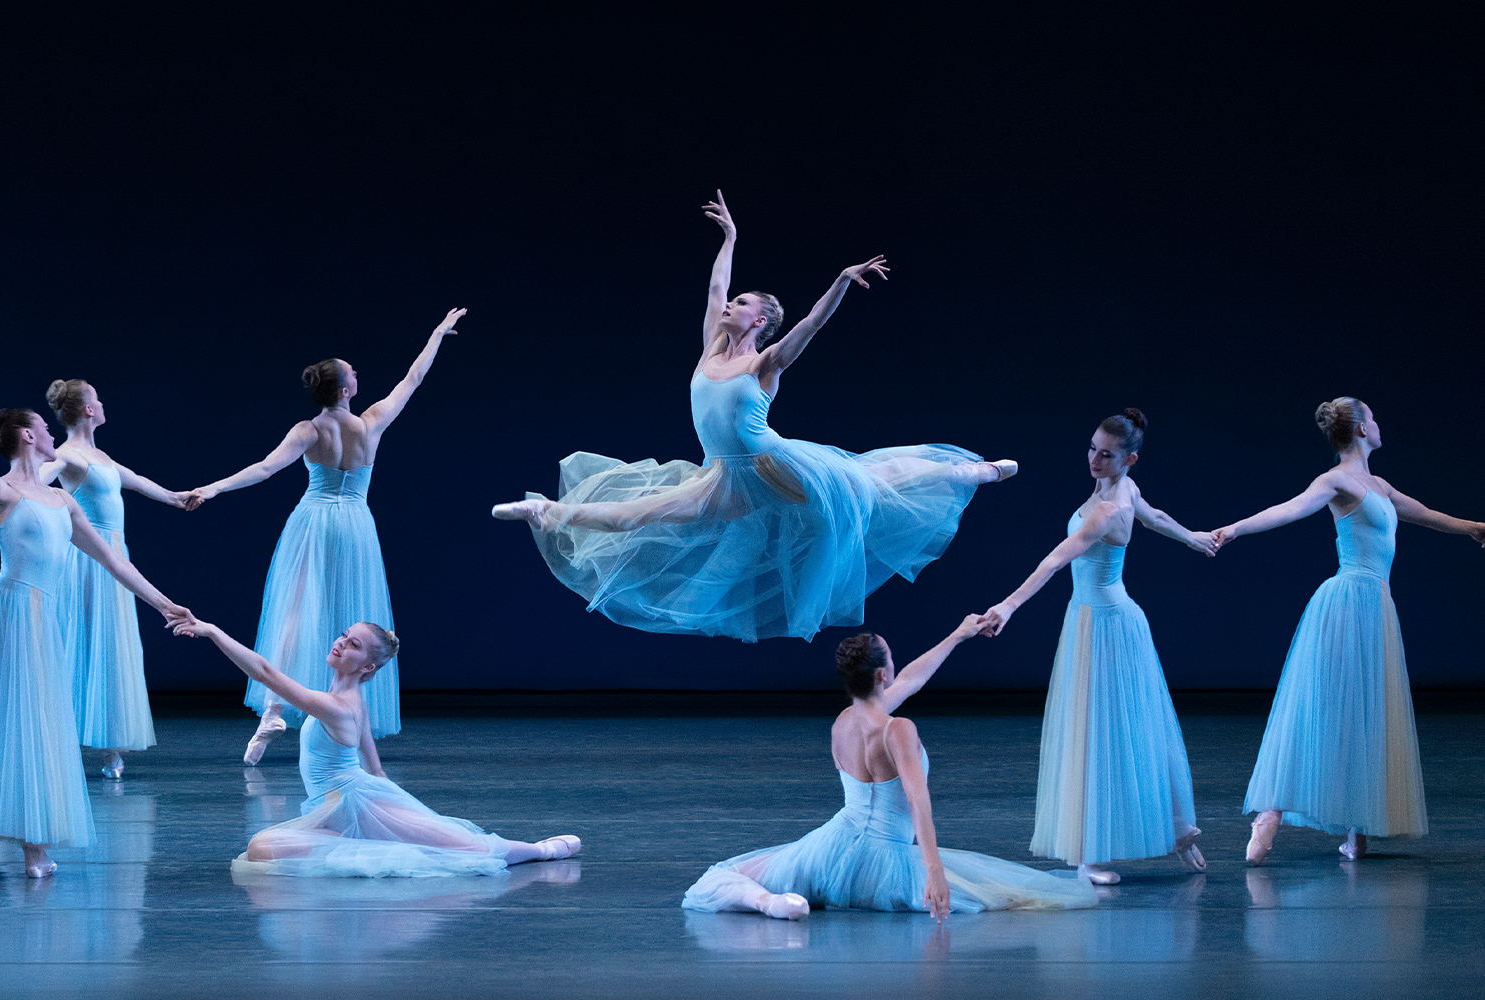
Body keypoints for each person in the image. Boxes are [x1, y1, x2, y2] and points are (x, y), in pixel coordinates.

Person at [494, 192, 1015, 642]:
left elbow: (809, 326)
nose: (729, 304)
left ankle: (974, 470)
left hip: (776, 466)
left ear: (760, 320)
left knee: (875, 480)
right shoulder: (709, 353)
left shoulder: (762, 364)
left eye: (741, 303)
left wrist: (840, 280)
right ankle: (548, 512)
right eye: (732, 299)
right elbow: (714, 291)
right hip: (723, 478)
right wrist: (729, 240)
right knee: (643, 512)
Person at [1212, 397, 1485, 863]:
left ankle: (1356, 828)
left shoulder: (1378, 485)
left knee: (1367, 710)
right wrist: (1234, 529)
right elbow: (1289, 509)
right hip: (1345, 600)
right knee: (1320, 704)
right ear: (1360, 429)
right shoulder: (1335, 480)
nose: (1379, 424)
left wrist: (1474, 527)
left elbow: (1425, 514)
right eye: (1373, 418)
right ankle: (1269, 816)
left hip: (1376, 606)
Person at [682, 616, 1097, 920]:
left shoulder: (843, 723)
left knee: (726, 874)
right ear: (882, 674)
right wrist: (934, 871)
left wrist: (957, 635)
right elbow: (919, 802)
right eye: (893, 659)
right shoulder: (898, 729)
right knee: (1006, 894)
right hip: (883, 866)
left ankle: (770, 903)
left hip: (827, 851)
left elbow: (911, 681)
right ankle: (775, 903)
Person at [188, 308, 465, 762]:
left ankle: (274, 709)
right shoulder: (370, 422)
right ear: (344, 389)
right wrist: (436, 334)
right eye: (352, 372)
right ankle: (347, 718)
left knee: (296, 611)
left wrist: (213, 487)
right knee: (352, 615)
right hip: (354, 524)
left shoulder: (308, 430)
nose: (358, 373)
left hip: (313, 520)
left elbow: (264, 468)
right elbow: (412, 379)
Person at [980, 409, 1213, 884]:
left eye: (1106, 455)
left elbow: (1054, 561)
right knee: (1125, 729)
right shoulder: (1120, 489)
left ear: (1129, 459)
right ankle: (1174, 832)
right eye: (1091, 449)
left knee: (1102, 733)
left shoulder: (1108, 509)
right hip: (1103, 618)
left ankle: (1097, 852)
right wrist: (1191, 538)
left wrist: (1007, 605)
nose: (1094, 459)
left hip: (1103, 625)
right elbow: (1156, 518)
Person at [172, 614, 581, 876]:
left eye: (352, 645)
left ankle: (540, 851)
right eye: (344, 636)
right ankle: (366, 843)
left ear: (368, 666)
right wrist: (397, 806)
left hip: (353, 803)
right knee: (261, 849)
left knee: (473, 852)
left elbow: (264, 672)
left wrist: (211, 631)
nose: (340, 643)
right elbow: (375, 766)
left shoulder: (338, 707)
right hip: (340, 807)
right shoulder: (352, 702)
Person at [0, 408, 189, 877]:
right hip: (8, 612)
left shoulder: (62, 501)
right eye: (43, 426)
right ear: (25, 435)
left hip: (41, 617)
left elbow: (116, 564)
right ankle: (33, 846)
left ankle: (33, 843)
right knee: (22, 716)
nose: (51, 432)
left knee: (39, 719)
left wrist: (164, 604)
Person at [40, 379, 193, 779]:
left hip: (112, 553)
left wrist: (178, 498)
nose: (103, 403)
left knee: (108, 643)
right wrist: (18, 488)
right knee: (86, 640)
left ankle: (108, 746)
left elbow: (139, 482)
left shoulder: (98, 454)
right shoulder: (66, 454)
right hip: (89, 558)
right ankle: (67, 740)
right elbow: (41, 476)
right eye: (97, 398)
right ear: (88, 410)